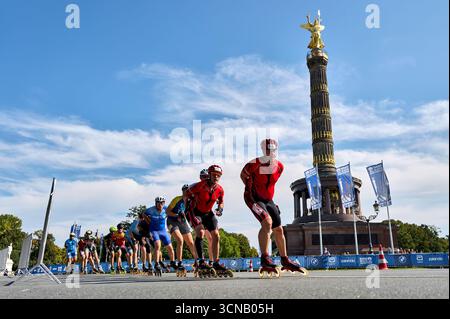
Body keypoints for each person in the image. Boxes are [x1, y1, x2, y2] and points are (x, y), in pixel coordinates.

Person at [240, 139, 307, 275]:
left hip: (269, 200)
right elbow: (242, 176)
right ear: (263, 150)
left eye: (273, 150)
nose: (271, 152)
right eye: (268, 150)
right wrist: (250, 189)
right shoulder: (254, 164)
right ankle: (265, 258)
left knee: (279, 230)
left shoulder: (280, 166)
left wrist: (269, 201)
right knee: (267, 222)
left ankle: (285, 260)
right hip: (253, 198)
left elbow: (270, 185)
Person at [186, 164, 230, 276]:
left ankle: (215, 262)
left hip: (208, 213)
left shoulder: (220, 189)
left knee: (216, 235)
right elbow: (186, 193)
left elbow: (221, 201)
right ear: (209, 175)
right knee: (200, 232)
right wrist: (187, 204)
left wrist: (220, 208)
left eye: (218, 175)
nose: (216, 177)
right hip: (195, 211)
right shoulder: (199, 186)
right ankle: (201, 261)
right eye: (214, 175)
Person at [166, 184, 199, 274]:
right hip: (172, 220)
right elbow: (167, 211)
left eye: (189, 191)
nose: (187, 192)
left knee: (191, 243)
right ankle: (179, 263)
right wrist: (176, 215)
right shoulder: (177, 199)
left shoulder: (191, 201)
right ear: (183, 191)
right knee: (180, 240)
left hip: (182, 221)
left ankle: (198, 261)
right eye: (185, 190)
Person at [143, 196, 176, 275]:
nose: (160, 205)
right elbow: (143, 214)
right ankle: (157, 264)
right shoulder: (151, 210)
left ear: (164, 203)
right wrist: (148, 221)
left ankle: (173, 262)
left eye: (161, 203)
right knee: (157, 245)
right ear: (155, 203)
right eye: (158, 203)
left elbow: (173, 213)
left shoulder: (166, 208)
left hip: (163, 231)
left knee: (170, 247)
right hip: (154, 231)